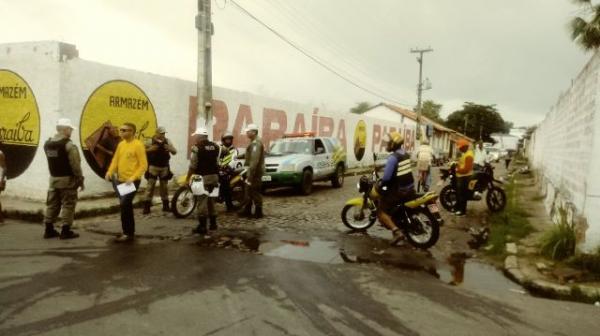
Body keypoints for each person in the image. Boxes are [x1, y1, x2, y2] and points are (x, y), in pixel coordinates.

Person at [42, 118, 84, 239]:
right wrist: (80, 179)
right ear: (65, 130)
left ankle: (48, 229)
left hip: (53, 179)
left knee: (52, 205)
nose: (71, 131)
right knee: (68, 204)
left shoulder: (47, 144)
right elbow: (75, 165)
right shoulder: (69, 145)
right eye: (70, 129)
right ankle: (65, 231)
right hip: (68, 180)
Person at [105, 123, 148, 242]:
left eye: (124, 130)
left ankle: (127, 233)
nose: (121, 132)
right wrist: (109, 171)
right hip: (120, 181)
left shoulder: (138, 145)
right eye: (120, 129)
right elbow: (115, 160)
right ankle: (129, 232)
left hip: (132, 182)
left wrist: (133, 177)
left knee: (124, 204)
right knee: (126, 206)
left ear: (132, 132)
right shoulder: (121, 144)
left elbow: (143, 165)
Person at [373, 132, 415, 245]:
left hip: (400, 191)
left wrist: (381, 185)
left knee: (381, 211)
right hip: (410, 188)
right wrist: (382, 167)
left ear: (393, 144)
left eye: (388, 143)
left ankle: (396, 232)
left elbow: (386, 178)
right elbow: (397, 167)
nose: (387, 144)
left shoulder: (393, 157)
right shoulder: (404, 153)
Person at [187, 127, 221, 234]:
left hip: (202, 177)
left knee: (202, 201)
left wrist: (187, 178)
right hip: (215, 177)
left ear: (200, 136)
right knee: (211, 200)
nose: (195, 138)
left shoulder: (196, 148)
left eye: (196, 136)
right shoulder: (216, 146)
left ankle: (202, 226)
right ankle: (213, 224)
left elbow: (193, 165)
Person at [143, 126, 177, 214]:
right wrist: (151, 149)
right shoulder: (150, 141)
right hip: (153, 166)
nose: (163, 135)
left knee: (164, 187)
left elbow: (174, 151)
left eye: (164, 133)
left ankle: (165, 206)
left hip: (164, 167)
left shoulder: (167, 141)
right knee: (150, 186)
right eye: (161, 133)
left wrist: (170, 148)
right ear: (156, 133)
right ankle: (146, 206)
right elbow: (142, 151)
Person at [238, 124, 265, 219]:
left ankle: (258, 211)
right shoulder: (253, 142)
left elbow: (254, 161)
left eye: (248, 131)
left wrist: (250, 176)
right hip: (251, 171)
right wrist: (237, 156)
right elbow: (248, 155)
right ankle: (247, 209)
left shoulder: (256, 143)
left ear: (253, 132)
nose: (246, 133)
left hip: (255, 172)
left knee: (255, 191)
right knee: (248, 190)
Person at [219, 131, 238, 212]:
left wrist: (227, 168)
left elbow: (233, 160)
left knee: (225, 182)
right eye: (226, 139)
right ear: (223, 140)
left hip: (229, 170)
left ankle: (229, 205)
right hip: (219, 168)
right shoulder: (219, 148)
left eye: (229, 139)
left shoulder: (233, 150)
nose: (228, 141)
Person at [454, 139, 474, 217]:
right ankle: (459, 209)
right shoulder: (465, 153)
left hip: (464, 177)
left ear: (465, 147)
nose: (459, 149)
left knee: (462, 195)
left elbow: (466, 169)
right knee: (460, 194)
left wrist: (457, 170)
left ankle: (462, 211)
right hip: (461, 176)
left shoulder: (469, 155)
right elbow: (462, 163)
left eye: (461, 147)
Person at [0, 139, 6, 224]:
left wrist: (1, 181)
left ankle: (1, 219)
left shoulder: (0, 154)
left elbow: (4, 168)